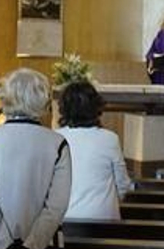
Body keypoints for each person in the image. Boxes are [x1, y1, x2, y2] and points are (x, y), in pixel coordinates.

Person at [0, 67, 71, 249]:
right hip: (44, 248)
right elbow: (56, 206)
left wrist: (4, 245)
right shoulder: (57, 143)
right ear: (43, 99)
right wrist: (31, 247)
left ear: (5, 97)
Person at [56, 80, 133, 220]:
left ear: (64, 108)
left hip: (65, 219)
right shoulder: (110, 139)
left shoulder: (55, 138)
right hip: (103, 220)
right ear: (96, 107)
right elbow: (123, 186)